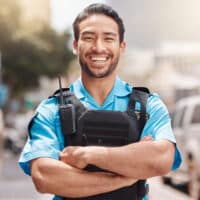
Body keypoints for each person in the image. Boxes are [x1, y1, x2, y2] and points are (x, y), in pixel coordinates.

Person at [19, 3, 181, 200]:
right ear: (75, 46)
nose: (99, 47)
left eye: (109, 38)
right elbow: (44, 176)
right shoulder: (51, 110)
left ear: (122, 47)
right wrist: (126, 177)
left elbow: (161, 160)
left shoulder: (149, 106)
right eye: (88, 38)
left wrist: (88, 156)